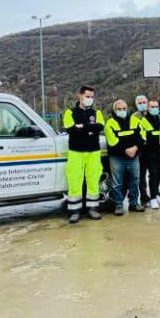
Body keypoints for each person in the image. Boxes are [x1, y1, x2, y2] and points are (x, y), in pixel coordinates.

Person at [62, 85, 104, 224]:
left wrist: (82, 127)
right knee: (75, 181)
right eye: (87, 96)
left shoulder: (96, 113)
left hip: (93, 151)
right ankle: (74, 211)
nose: (89, 99)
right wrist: (89, 129)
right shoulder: (70, 112)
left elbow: (100, 127)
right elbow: (71, 130)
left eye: (92, 97)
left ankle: (93, 209)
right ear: (80, 96)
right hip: (76, 152)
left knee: (93, 180)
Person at [105, 99, 145, 215]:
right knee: (117, 182)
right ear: (114, 110)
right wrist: (126, 149)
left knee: (135, 180)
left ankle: (133, 204)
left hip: (133, 156)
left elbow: (142, 136)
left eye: (124, 109)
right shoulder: (110, 123)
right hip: (117, 157)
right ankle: (118, 205)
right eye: (119, 109)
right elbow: (113, 142)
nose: (122, 111)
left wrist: (135, 148)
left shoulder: (135, 120)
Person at [138, 99, 160, 209]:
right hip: (149, 153)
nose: (154, 108)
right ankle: (153, 198)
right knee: (153, 175)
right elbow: (143, 137)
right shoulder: (143, 121)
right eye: (152, 107)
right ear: (148, 108)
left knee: (158, 175)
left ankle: (155, 194)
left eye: (156, 106)